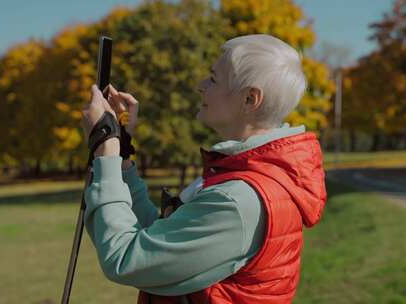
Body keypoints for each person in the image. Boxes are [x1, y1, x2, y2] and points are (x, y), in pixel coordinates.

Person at [80, 34, 327, 304]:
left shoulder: (237, 200)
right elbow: (161, 239)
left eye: (213, 78)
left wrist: (105, 147)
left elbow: (125, 258)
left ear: (249, 99)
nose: (201, 86)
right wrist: (122, 154)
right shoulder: (242, 177)